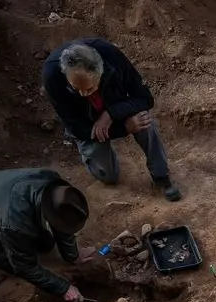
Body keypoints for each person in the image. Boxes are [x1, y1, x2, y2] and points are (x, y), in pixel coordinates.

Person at [42, 38, 181, 201]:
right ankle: (97, 160)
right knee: (109, 177)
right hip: (87, 125)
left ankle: (161, 176)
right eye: (75, 88)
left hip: (114, 108)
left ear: (100, 72)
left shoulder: (112, 57)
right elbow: (76, 129)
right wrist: (124, 129)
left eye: (89, 88)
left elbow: (145, 99)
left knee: (144, 121)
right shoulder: (52, 77)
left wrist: (110, 114)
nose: (83, 94)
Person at [0, 168, 96, 302]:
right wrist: (63, 288)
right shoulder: (14, 221)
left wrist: (73, 255)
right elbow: (24, 267)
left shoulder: (55, 186)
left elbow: (62, 221)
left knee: (44, 243)